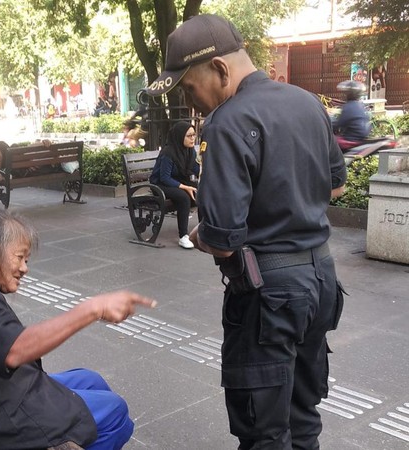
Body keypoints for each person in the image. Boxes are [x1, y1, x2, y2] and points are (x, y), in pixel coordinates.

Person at [146, 14, 347, 449]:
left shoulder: (227, 122)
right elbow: (336, 184)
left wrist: (201, 234)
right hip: (321, 280)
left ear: (219, 69)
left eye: (188, 86)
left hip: (268, 296)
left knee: (263, 431)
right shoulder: (308, 102)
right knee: (304, 415)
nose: (191, 99)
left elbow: (221, 238)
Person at [0, 206, 156, 450]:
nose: (24, 268)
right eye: (19, 257)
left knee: (90, 380)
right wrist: (92, 308)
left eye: (26, 260)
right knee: (115, 411)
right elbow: (15, 349)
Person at [149, 121, 199, 249]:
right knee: (183, 197)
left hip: (177, 182)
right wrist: (185, 187)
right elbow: (164, 178)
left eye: (194, 135)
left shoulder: (190, 151)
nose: (193, 138)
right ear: (179, 136)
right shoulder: (168, 152)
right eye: (189, 136)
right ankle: (183, 236)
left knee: (202, 190)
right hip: (160, 185)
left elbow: (194, 168)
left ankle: (203, 229)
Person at [332, 80, 372, 151]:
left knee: (331, 142)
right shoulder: (360, 105)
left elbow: (339, 124)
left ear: (349, 94)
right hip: (361, 139)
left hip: (351, 139)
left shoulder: (348, 107)